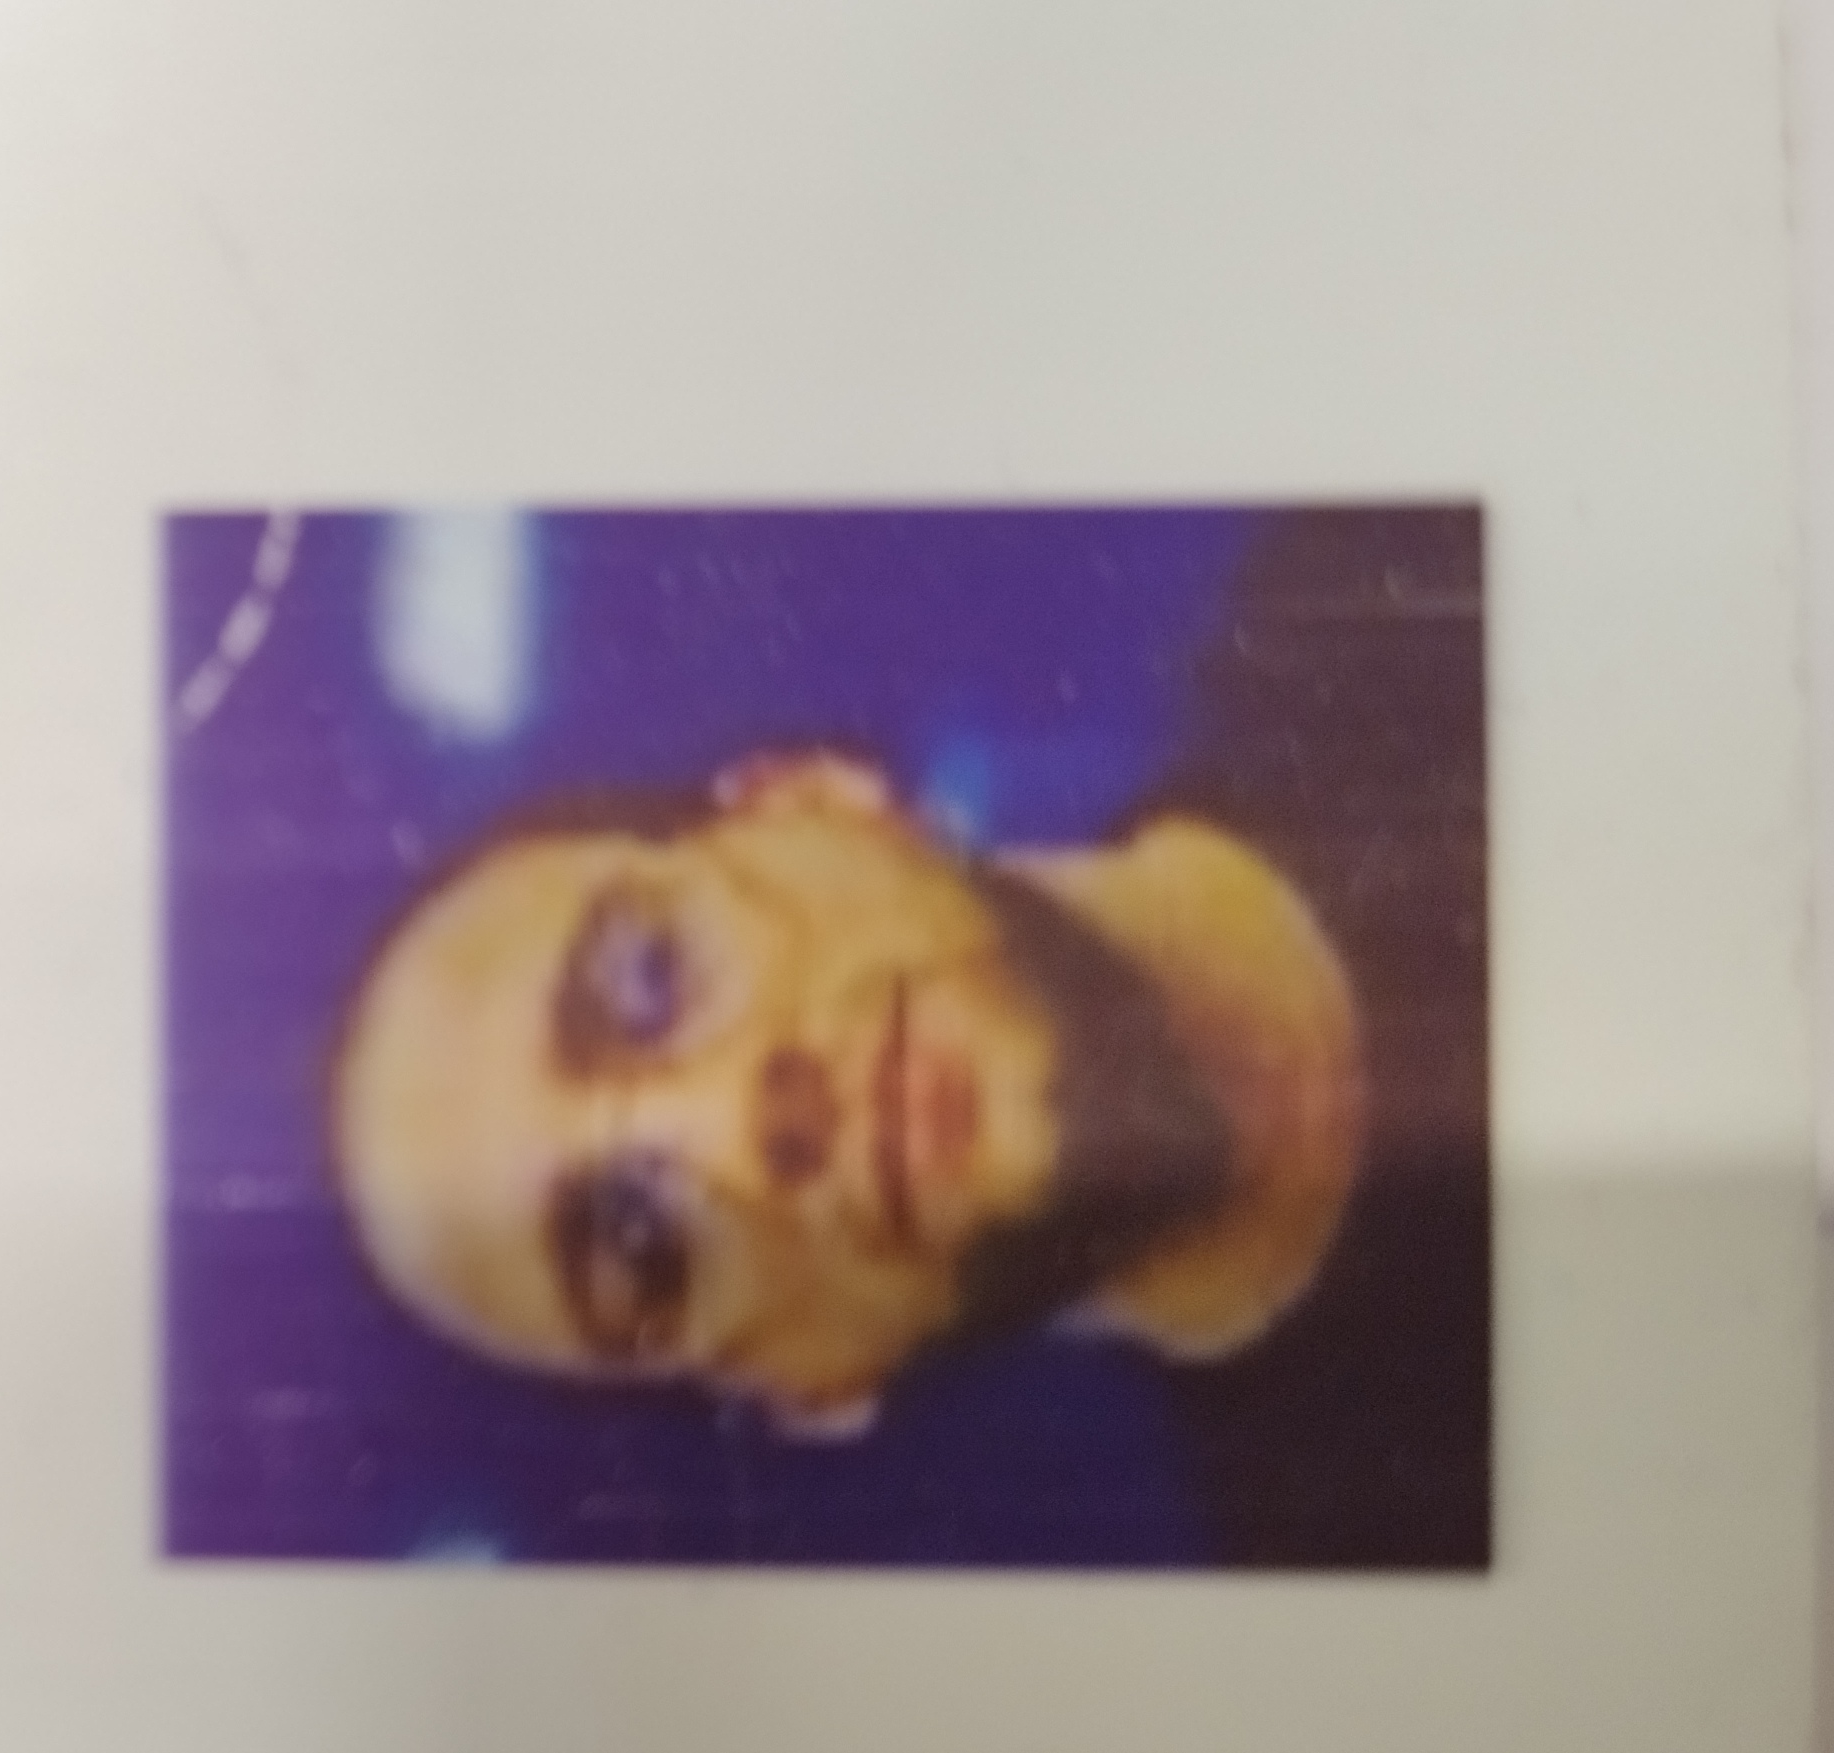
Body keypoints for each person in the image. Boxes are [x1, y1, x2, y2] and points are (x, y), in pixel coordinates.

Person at [327, 508, 1487, 1564]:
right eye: (641, 1252)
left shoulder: (1409, 586)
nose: (740, 1125)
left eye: (647, 977)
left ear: (813, 796)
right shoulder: (1385, 1580)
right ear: (811, 1391)